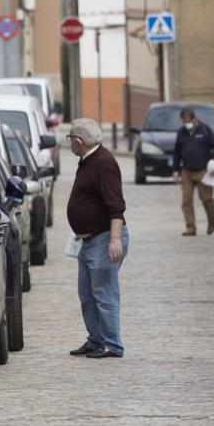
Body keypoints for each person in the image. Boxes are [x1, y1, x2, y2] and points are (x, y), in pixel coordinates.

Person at [65, 118, 129, 359]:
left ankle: (112, 344)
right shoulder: (87, 160)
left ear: (79, 141)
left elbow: (116, 207)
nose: (69, 143)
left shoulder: (104, 163)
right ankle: (95, 339)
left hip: (104, 239)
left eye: (70, 138)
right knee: (87, 295)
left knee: (104, 293)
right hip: (87, 241)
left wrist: (115, 240)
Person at [172, 108, 214, 236]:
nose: (186, 123)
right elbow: (176, 152)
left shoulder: (205, 130)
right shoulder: (181, 132)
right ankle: (190, 228)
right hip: (187, 171)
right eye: (183, 121)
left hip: (203, 170)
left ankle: (212, 220)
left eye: (188, 120)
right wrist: (176, 170)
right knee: (186, 200)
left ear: (193, 118)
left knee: (206, 199)